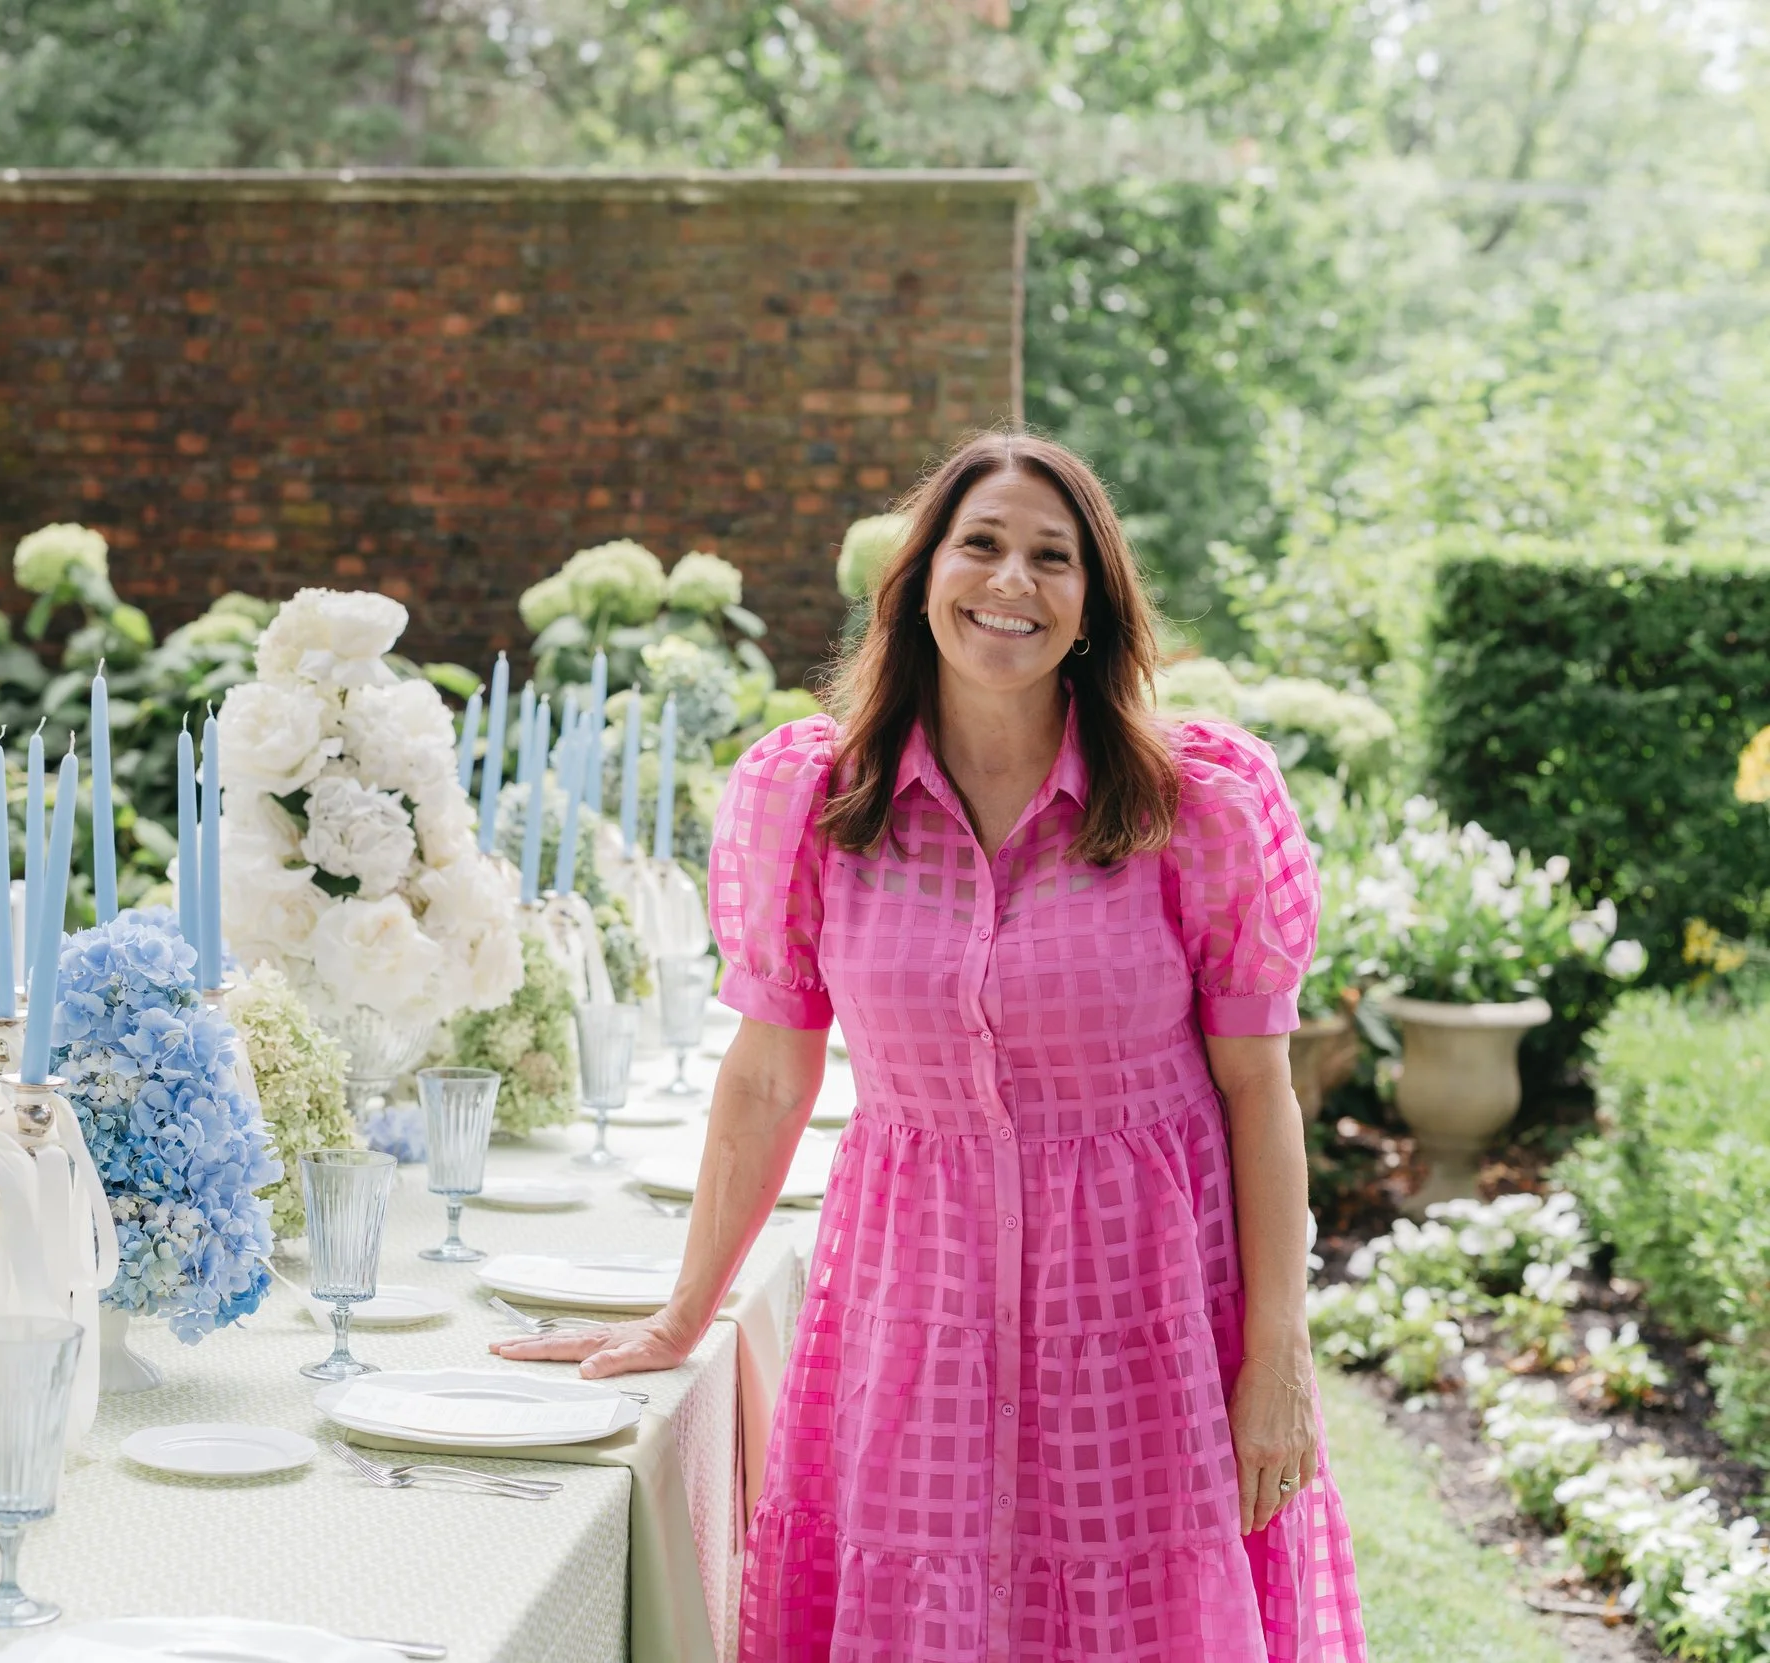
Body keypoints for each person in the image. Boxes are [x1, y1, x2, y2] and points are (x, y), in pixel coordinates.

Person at [492, 432, 1366, 1660]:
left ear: (1091, 608)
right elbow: (765, 1072)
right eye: (982, 546)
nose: (1012, 583)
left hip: (1150, 1316)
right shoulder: (814, 797)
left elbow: (1258, 1097)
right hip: (913, 1307)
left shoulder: (1195, 803)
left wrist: (1276, 1355)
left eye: (1052, 559)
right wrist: (684, 1316)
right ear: (920, 579)